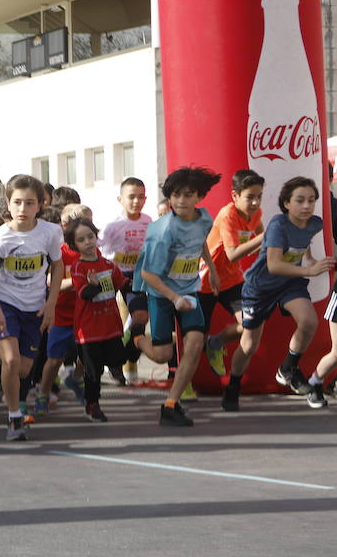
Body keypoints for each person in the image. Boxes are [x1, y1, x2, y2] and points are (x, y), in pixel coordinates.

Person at [221, 176, 334, 411]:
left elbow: (303, 246)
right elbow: (273, 265)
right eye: (300, 200)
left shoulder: (315, 223)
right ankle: (233, 385)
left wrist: (313, 261)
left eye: (311, 200)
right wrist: (308, 269)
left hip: (290, 284)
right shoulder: (277, 225)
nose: (306, 206)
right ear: (286, 204)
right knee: (250, 343)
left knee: (309, 321)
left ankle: (287, 368)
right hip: (260, 287)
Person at [125, 166, 219, 426]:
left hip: (189, 290)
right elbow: (148, 274)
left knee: (195, 343)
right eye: (175, 195)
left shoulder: (204, 219)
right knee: (162, 355)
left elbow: (199, 242)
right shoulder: (162, 230)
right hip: (161, 293)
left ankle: (170, 404)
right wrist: (174, 298)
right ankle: (135, 338)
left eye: (188, 195)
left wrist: (211, 269)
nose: (180, 201)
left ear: (199, 197)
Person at [0, 175, 63, 441]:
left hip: (35, 309)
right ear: (8, 203)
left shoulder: (49, 233)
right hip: (6, 305)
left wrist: (51, 304)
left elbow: (58, 266)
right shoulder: (1, 239)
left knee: (23, 370)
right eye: (17, 202)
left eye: (29, 203)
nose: (22, 209)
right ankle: (14, 418)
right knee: (12, 361)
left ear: (40, 205)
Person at [198, 170, 265, 376]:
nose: (255, 203)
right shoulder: (227, 215)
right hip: (206, 281)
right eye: (250, 197)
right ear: (235, 196)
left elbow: (262, 240)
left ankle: (216, 343)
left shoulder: (256, 214)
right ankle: (185, 381)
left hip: (232, 280)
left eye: (259, 196)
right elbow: (234, 254)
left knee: (250, 322)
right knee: (196, 337)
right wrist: (264, 238)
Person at [65, 217, 127, 422]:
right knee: (94, 372)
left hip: (111, 326)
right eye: (82, 240)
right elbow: (85, 294)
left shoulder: (108, 264)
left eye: (90, 236)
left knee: (119, 358)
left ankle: (116, 365)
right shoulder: (78, 267)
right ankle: (93, 405)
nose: (88, 242)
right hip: (88, 331)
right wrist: (94, 285)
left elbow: (122, 283)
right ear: (75, 246)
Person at [34, 203, 92, 417]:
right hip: (61, 315)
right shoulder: (59, 252)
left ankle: (75, 379)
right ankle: (43, 392)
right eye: (84, 224)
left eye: (90, 225)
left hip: (85, 314)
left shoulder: (93, 251)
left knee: (88, 356)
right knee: (54, 359)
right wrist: (78, 282)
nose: (89, 231)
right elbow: (51, 282)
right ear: (66, 226)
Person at [99, 178, 152, 383]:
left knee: (140, 316)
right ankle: (114, 365)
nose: (136, 201)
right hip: (111, 274)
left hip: (136, 276)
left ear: (145, 199)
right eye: (131, 197)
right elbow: (98, 250)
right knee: (109, 321)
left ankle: (129, 351)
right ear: (120, 199)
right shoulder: (113, 226)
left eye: (140, 197)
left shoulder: (148, 221)